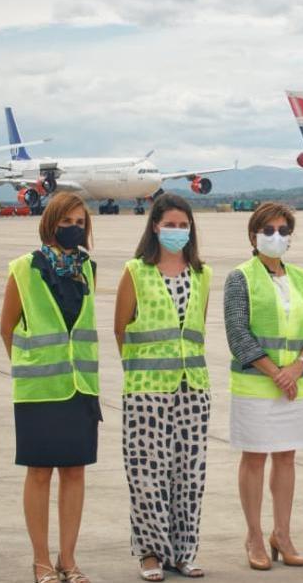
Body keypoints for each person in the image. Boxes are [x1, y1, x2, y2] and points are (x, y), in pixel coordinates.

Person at [0, 191, 100, 583]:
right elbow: (7, 328)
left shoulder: (87, 268)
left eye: (80, 224)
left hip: (80, 387)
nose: (74, 229)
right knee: (39, 473)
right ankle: (41, 560)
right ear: (50, 223)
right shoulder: (24, 269)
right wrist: (30, 365)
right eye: (67, 222)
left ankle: (68, 559)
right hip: (39, 390)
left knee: (74, 472)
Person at [115, 193, 212, 581]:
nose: (177, 231)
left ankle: (184, 550)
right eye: (169, 225)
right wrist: (139, 372)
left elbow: (197, 328)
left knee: (189, 473)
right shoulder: (136, 271)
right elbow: (121, 328)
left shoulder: (201, 274)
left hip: (194, 388)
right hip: (146, 389)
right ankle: (151, 553)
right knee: (147, 472)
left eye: (183, 225)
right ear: (155, 226)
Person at [224, 202, 303, 571]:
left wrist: (298, 365)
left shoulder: (299, 277)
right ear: (253, 235)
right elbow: (238, 331)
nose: (276, 237)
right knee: (254, 458)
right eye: (268, 231)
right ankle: (253, 535)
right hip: (257, 386)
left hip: (295, 385)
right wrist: (275, 372)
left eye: (283, 231)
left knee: (286, 458)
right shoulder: (241, 277)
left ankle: (282, 533)